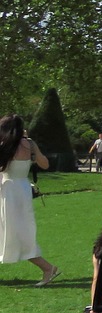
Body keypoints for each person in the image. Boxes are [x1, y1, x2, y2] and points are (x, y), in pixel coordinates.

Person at [0, 115, 60, 287]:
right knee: (16, 230)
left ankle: (48, 267)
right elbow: (45, 164)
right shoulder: (29, 144)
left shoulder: (5, 146)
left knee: (13, 231)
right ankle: (47, 268)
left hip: (8, 189)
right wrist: (31, 154)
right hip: (22, 188)